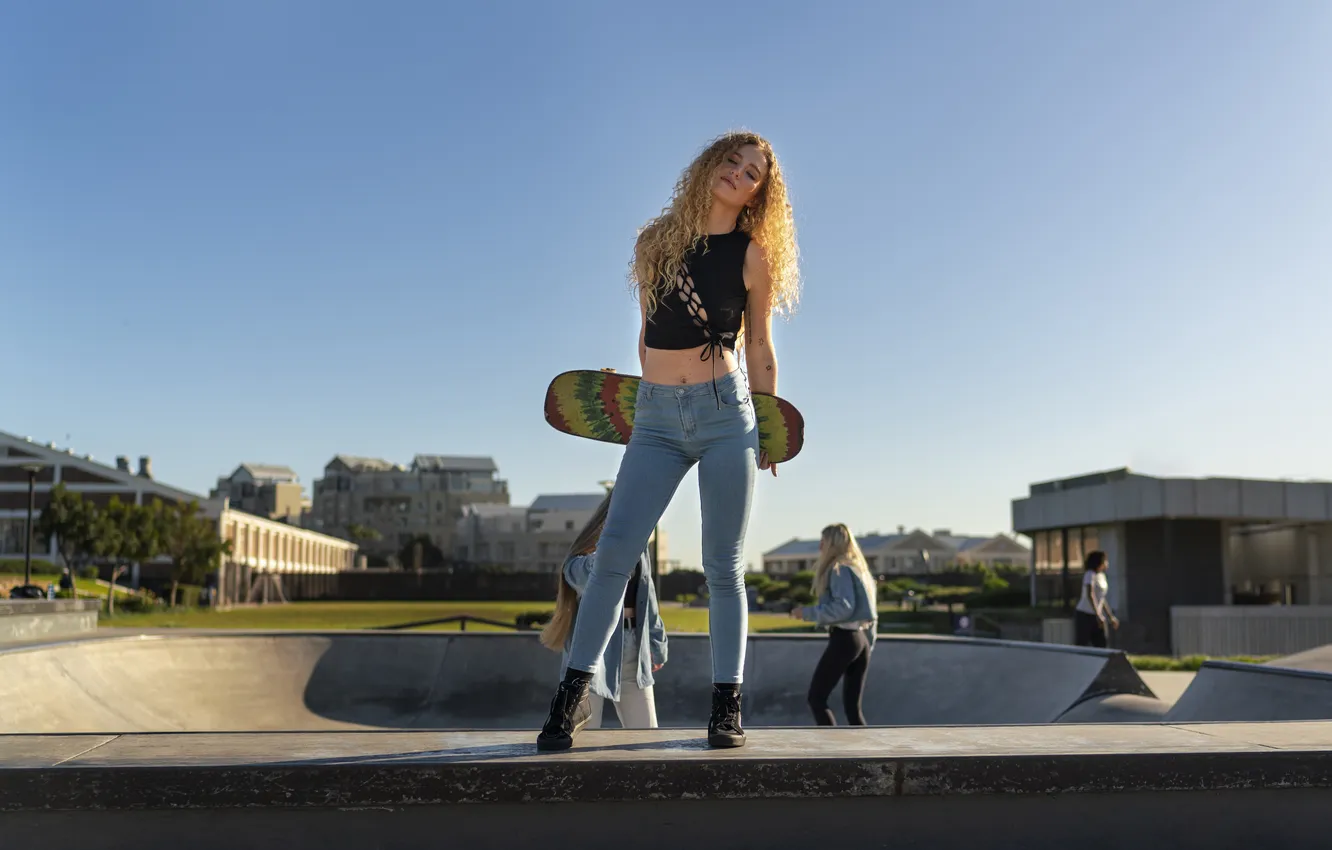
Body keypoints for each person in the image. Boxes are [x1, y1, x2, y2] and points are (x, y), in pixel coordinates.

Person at [537, 131, 801, 751]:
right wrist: (641, 392)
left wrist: (766, 422)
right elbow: (648, 330)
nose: (738, 174)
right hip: (654, 418)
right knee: (611, 561)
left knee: (722, 569)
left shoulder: (752, 256)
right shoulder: (655, 243)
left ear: (761, 193)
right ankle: (568, 701)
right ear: (709, 166)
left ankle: (725, 708)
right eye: (731, 161)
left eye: (753, 173)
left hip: (724, 415)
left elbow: (759, 345)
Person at [539, 491, 667, 730]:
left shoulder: (640, 551)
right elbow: (583, 576)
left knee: (647, 735)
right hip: (592, 651)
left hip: (634, 650)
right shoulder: (582, 558)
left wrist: (657, 645)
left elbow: (648, 601)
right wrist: (612, 547)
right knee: (584, 734)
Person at [791, 524, 879, 726]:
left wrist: (806, 613)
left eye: (823, 541)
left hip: (846, 639)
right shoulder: (860, 569)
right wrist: (868, 645)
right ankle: (869, 755)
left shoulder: (839, 569)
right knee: (853, 709)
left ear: (832, 543)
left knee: (817, 699)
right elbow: (872, 614)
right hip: (861, 640)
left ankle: (831, 752)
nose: (820, 546)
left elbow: (844, 608)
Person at [1074, 550, 1119, 647]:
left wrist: (1110, 616)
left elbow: (1101, 599)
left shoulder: (1102, 576)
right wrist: (1098, 615)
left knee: (1102, 643)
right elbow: (1090, 594)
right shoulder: (1090, 574)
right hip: (1085, 614)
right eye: (1105, 561)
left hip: (1097, 615)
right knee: (1082, 645)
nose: (1107, 563)